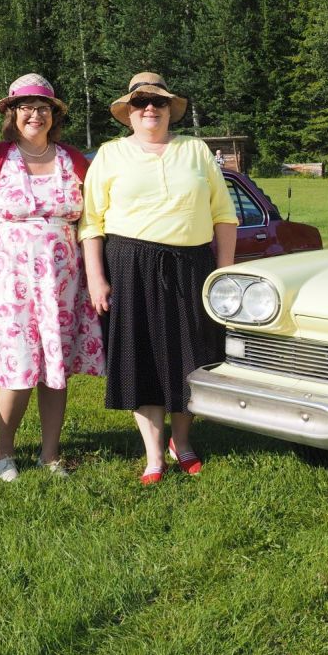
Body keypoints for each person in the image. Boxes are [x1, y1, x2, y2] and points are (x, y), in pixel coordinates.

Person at [80, 72, 238, 485]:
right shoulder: (110, 155)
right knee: (142, 357)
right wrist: (96, 278)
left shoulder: (195, 150)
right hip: (129, 266)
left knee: (191, 355)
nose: (149, 108)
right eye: (140, 102)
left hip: (192, 266)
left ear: (170, 109)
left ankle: (181, 442)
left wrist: (222, 274)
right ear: (128, 112)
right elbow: (91, 222)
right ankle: (153, 455)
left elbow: (224, 216)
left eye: (158, 101)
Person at [0, 74, 104, 481]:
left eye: (43, 107)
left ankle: (50, 454)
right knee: (16, 366)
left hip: (63, 283)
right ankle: (4, 452)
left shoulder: (73, 160)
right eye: (25, 107)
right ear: (12, 114)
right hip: (7, 280)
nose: (35, 114)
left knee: (55, 369)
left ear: (53, 115)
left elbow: (92, 220)